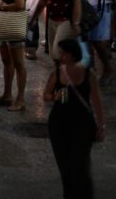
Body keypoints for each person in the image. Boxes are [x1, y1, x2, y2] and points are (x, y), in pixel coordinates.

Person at [44, 38, 106, 199]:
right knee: (65, 167)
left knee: (81, 165)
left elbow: (96, 101)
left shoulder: (88, 74)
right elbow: (46, 94)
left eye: (64, 52)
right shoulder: (57, 73)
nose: (61, 55)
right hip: (60, 124)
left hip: (82, 124)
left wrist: (101, 125)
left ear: (72, 55)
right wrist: (54, 97)